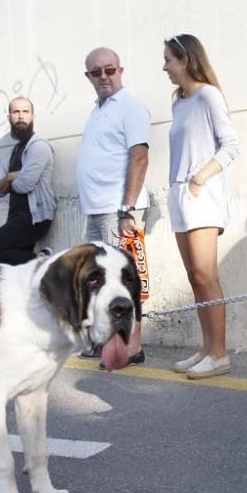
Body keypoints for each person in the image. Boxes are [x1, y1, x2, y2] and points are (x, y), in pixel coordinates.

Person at [162, 33, 241, 380]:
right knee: (195, 278)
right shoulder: (179, 103)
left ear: (185, 60)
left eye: (168, 59)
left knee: (206, 275)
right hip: (179, 194)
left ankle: (220, 353)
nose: (164, 66)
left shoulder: (209, 96)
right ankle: (207, 347)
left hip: (201, 193)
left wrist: (199, 178)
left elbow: (231, 145)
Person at [75, 47, 150, 365]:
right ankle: (106, 340)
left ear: (120, 70)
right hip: (96, 208)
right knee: (100, 279)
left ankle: (133, 346)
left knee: (123, 277)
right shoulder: (98, 109)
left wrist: (127, 208)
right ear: (88, 76)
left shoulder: (130, 106)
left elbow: (139, 156)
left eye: (109, 70)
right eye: (96, 72)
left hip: (117, 209)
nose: (103, 76)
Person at [0, 97, 56, 265]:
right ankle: (37, 265)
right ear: (9, 118)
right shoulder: (13, 152)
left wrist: (11, 181)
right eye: (16, 112)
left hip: (34, 217)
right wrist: (10, 176)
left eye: (25, 112)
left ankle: (44, 262)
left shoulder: (39, 147)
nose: (21, 116)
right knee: (20, 268)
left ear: (33, 118)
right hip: (16, 215)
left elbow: (24, 185)